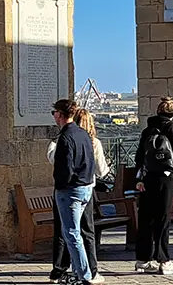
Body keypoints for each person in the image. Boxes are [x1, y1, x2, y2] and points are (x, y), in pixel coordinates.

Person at [50, 106, 111, 281]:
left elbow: (61, 164)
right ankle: (86, 269)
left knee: (71, 233)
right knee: (85, 231)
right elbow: (100, 170)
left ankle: (82, 273)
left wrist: (62, 184)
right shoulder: (90, 139)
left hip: (71, 189)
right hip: (87, 188)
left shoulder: (66, 138)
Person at [133, 96, 173, 276]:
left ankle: (143, 259)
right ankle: (164, 260)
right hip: (166, 177)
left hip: (148, 177)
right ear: (172, 113)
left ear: (157, 112)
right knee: (162, 218)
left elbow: (139, 155)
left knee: (146, 217)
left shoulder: (148, 129)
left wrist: (138, 179)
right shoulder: (172, 127)